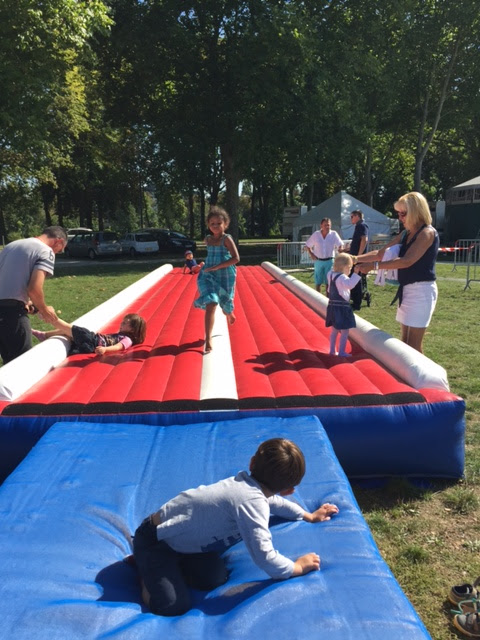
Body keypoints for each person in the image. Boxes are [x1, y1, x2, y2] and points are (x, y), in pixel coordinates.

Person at [131, 437, 339, 617]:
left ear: (252, 462)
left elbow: (273, 503)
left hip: (185, 542)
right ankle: (144, 567)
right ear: (289, 490)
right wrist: (297, 567)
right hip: (155, 541)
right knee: (172, 606)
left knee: (214, 579)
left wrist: (308, 515)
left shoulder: (253, 490)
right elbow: (265, 556)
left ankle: (167, 565)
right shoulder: (248, 500)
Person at [356, 192, 439, 354]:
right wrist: (353, 258)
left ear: (416, 212)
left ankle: (420, 379)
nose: (400, 217)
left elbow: (407, 260)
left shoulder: (427, 233)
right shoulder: (405, 233)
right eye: (398, 213)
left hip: (422, 291)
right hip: (407, 289)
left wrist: (373, 266)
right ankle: (409, 378)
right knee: (405, 344)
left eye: (403, 213)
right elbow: (380, 253)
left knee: (413, 346)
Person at [0, 226, 67, 364]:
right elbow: (34, 289)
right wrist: (44, 310)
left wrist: (26, 301)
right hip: (12, 314)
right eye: (59, 250)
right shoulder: (45, 251)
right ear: (58, 241)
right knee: (22, 364)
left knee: (8, 364)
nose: (57, 253)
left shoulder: (11, 245)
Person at [194, 206, 240, 352]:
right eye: (212, 223)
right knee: (211, 302)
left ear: (225, 224)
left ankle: (229, 313)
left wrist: (217, 266)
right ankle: (208, 338)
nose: (215, 226)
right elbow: (210, 255)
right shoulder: (207, 239)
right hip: (208, 274)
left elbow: (236, 258)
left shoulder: (226, 239)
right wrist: (206, 266)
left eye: (218, 223)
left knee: (225, 303)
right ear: (208, 225)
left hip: (225, 274)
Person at [32, 312, 147, 355]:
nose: (121, 324)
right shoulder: (120, 334)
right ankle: (44, 335)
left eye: (125, 323)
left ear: (132, 329)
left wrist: (105, 350)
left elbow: (118, 347)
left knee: (68, 327)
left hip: (92, 342)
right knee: (67, 332)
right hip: (91, 340)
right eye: (122, 321)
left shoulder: (128, 339)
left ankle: (47, 316)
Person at [326, 253, 361, 356]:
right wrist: (356, 274)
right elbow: (350, 285)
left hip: (332, 305)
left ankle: (332, 350)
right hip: (342, 307)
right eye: (349, 268)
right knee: (345, 331)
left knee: (334, 330)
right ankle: (341, 351)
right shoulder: (342, 277)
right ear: (345, 267)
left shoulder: (330, 274)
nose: (349, 270)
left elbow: (330, 288)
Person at [304, 218, 343, 293]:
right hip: (318, 261)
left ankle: (328, 300)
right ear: (321, 225)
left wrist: (340, 249)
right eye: (325, 225)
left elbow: (340, 244)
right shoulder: (316, 234)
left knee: (328, 282)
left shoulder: (334, 234)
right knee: (318, 282)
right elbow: (307, 245)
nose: (327, 227)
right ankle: (318, 298)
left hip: (329, 261)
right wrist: (311, 254)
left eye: (328, 225)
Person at [348, 210, 369, 310]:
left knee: (356, 279)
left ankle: (357, 303)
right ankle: (355, 300)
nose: (350, 219)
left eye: (352, 216)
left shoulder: (362, 226)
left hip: (357, 258)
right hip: (355, 257)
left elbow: (364, 240)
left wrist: (359, 256)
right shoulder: (358, 226)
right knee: (354, 277)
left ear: (357, 216)